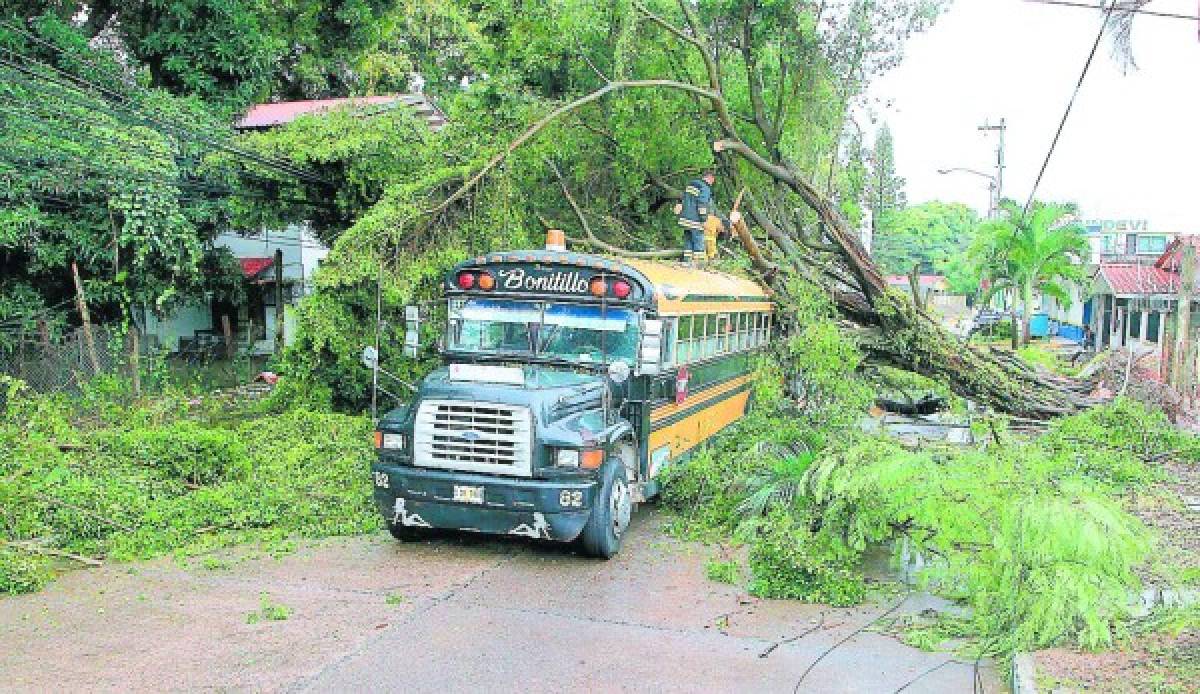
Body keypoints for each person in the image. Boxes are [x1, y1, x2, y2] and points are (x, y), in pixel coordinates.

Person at [675, 170, 740, 265]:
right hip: (695, 218)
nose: (712, 183)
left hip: (685, 217)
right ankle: (699, 262)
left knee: (688, 238)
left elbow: (684, 199)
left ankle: (687, 260)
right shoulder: (704, 188)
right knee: (699, 239)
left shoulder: (691, 184)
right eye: (713, 180)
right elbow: (702, 204)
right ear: (710, 178)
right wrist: (703, 218)